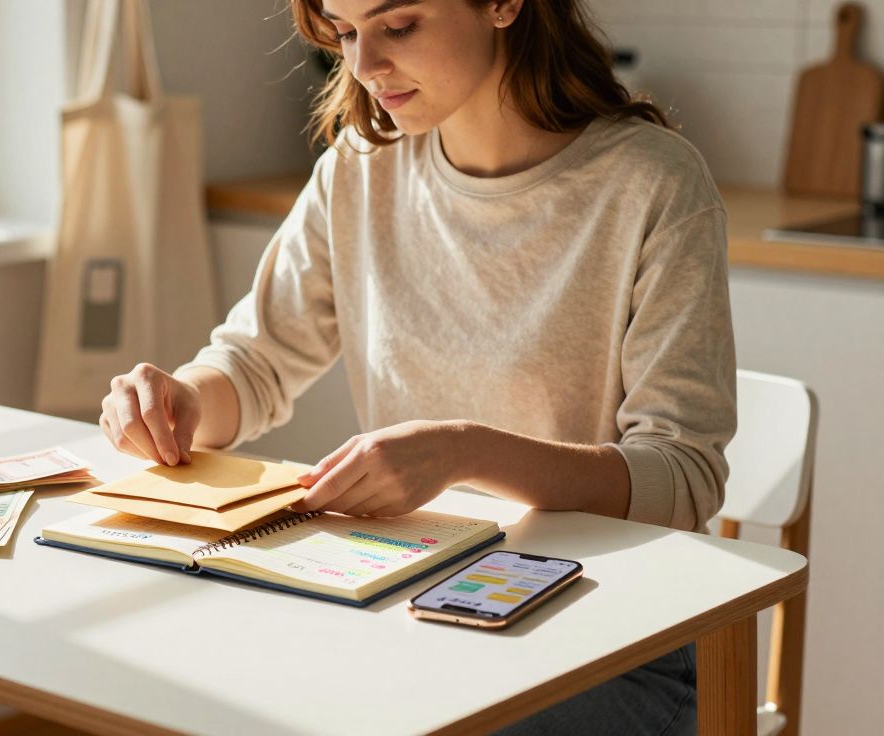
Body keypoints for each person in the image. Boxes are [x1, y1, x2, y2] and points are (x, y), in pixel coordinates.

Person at [98, 1, 732, 733]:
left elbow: (682, 477)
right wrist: (179, 400)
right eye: (344, 32)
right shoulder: (358, 173)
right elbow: (254, 363)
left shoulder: (653, 184)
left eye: (397, 25)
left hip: (615, 636)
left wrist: (465, 451)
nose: (364, 67)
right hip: (413, 609)